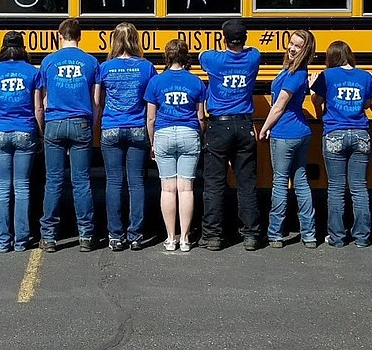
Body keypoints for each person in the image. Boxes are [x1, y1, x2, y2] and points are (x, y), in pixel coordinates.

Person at [198, 19, 262, 250]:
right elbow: (252, 50)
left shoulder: (213, 59)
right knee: (246, 183)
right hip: (244, 124)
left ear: (224, 38)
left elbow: (202, 55)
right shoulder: (254, 57)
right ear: (245, 38)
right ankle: (251, 235)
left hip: (219, 125)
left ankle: (213, 235)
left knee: (214, 183)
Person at [39, 18, 100, 252]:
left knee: (53, 181)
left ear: (59, 36)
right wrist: (91, 124)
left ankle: (49, 236)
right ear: (80, 36)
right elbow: (95, 101)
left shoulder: (48, 61)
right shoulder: (91, 61)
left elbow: (44, 98)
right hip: (80, 121)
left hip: (54, 121)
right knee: (81, 181)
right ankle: (85, 235)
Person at [95, 23, 156, 251]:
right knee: (137, 183)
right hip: (138, 127)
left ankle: (115, 235)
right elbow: (151, 101)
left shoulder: (105, 68)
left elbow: (98, 100)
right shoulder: (146, 67)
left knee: (113, 182)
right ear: (135, 40)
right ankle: (136, 235)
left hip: (111, 127)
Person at [0, 31, 43, 253]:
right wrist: (40, 132)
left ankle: (2, 240)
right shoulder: (32, 72)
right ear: (23, 47)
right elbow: (38, 107)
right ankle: (22, 239)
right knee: (23, 187)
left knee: (2, 188)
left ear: (3, 48)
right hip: (25, 130)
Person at [258, 29, 319, 249]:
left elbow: (279, 105)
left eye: (297, 46)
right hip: (300, 132)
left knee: (281, 183)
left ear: (306, 50)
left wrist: (265, 128)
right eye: (291, 44)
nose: (292, 48)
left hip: (284, 133)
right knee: (301, 182)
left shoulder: (296, 74)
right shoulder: (294, 70)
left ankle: (275, 234)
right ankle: (309, 234)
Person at [144, 39, 206, 252]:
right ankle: (186, 238)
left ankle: (171, 238)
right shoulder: (196, 82)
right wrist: (200, 135)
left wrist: (152, 143)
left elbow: (150, 118)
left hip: (163, 133)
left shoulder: (156, 82)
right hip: (189, 133)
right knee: (186, 188)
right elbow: (200, 117)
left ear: (166, 56)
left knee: (168, 189)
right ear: (186, 56)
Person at [312, 41, 372, 248]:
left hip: (334, 133)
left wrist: (313, 89)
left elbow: (318, 101)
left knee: (336, 188)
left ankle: (337, 237)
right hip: (360, 133)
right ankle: (362, 236)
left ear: (330, 57)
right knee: (359, 188)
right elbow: (367, 104)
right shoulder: (365, 76)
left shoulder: (326, 75)